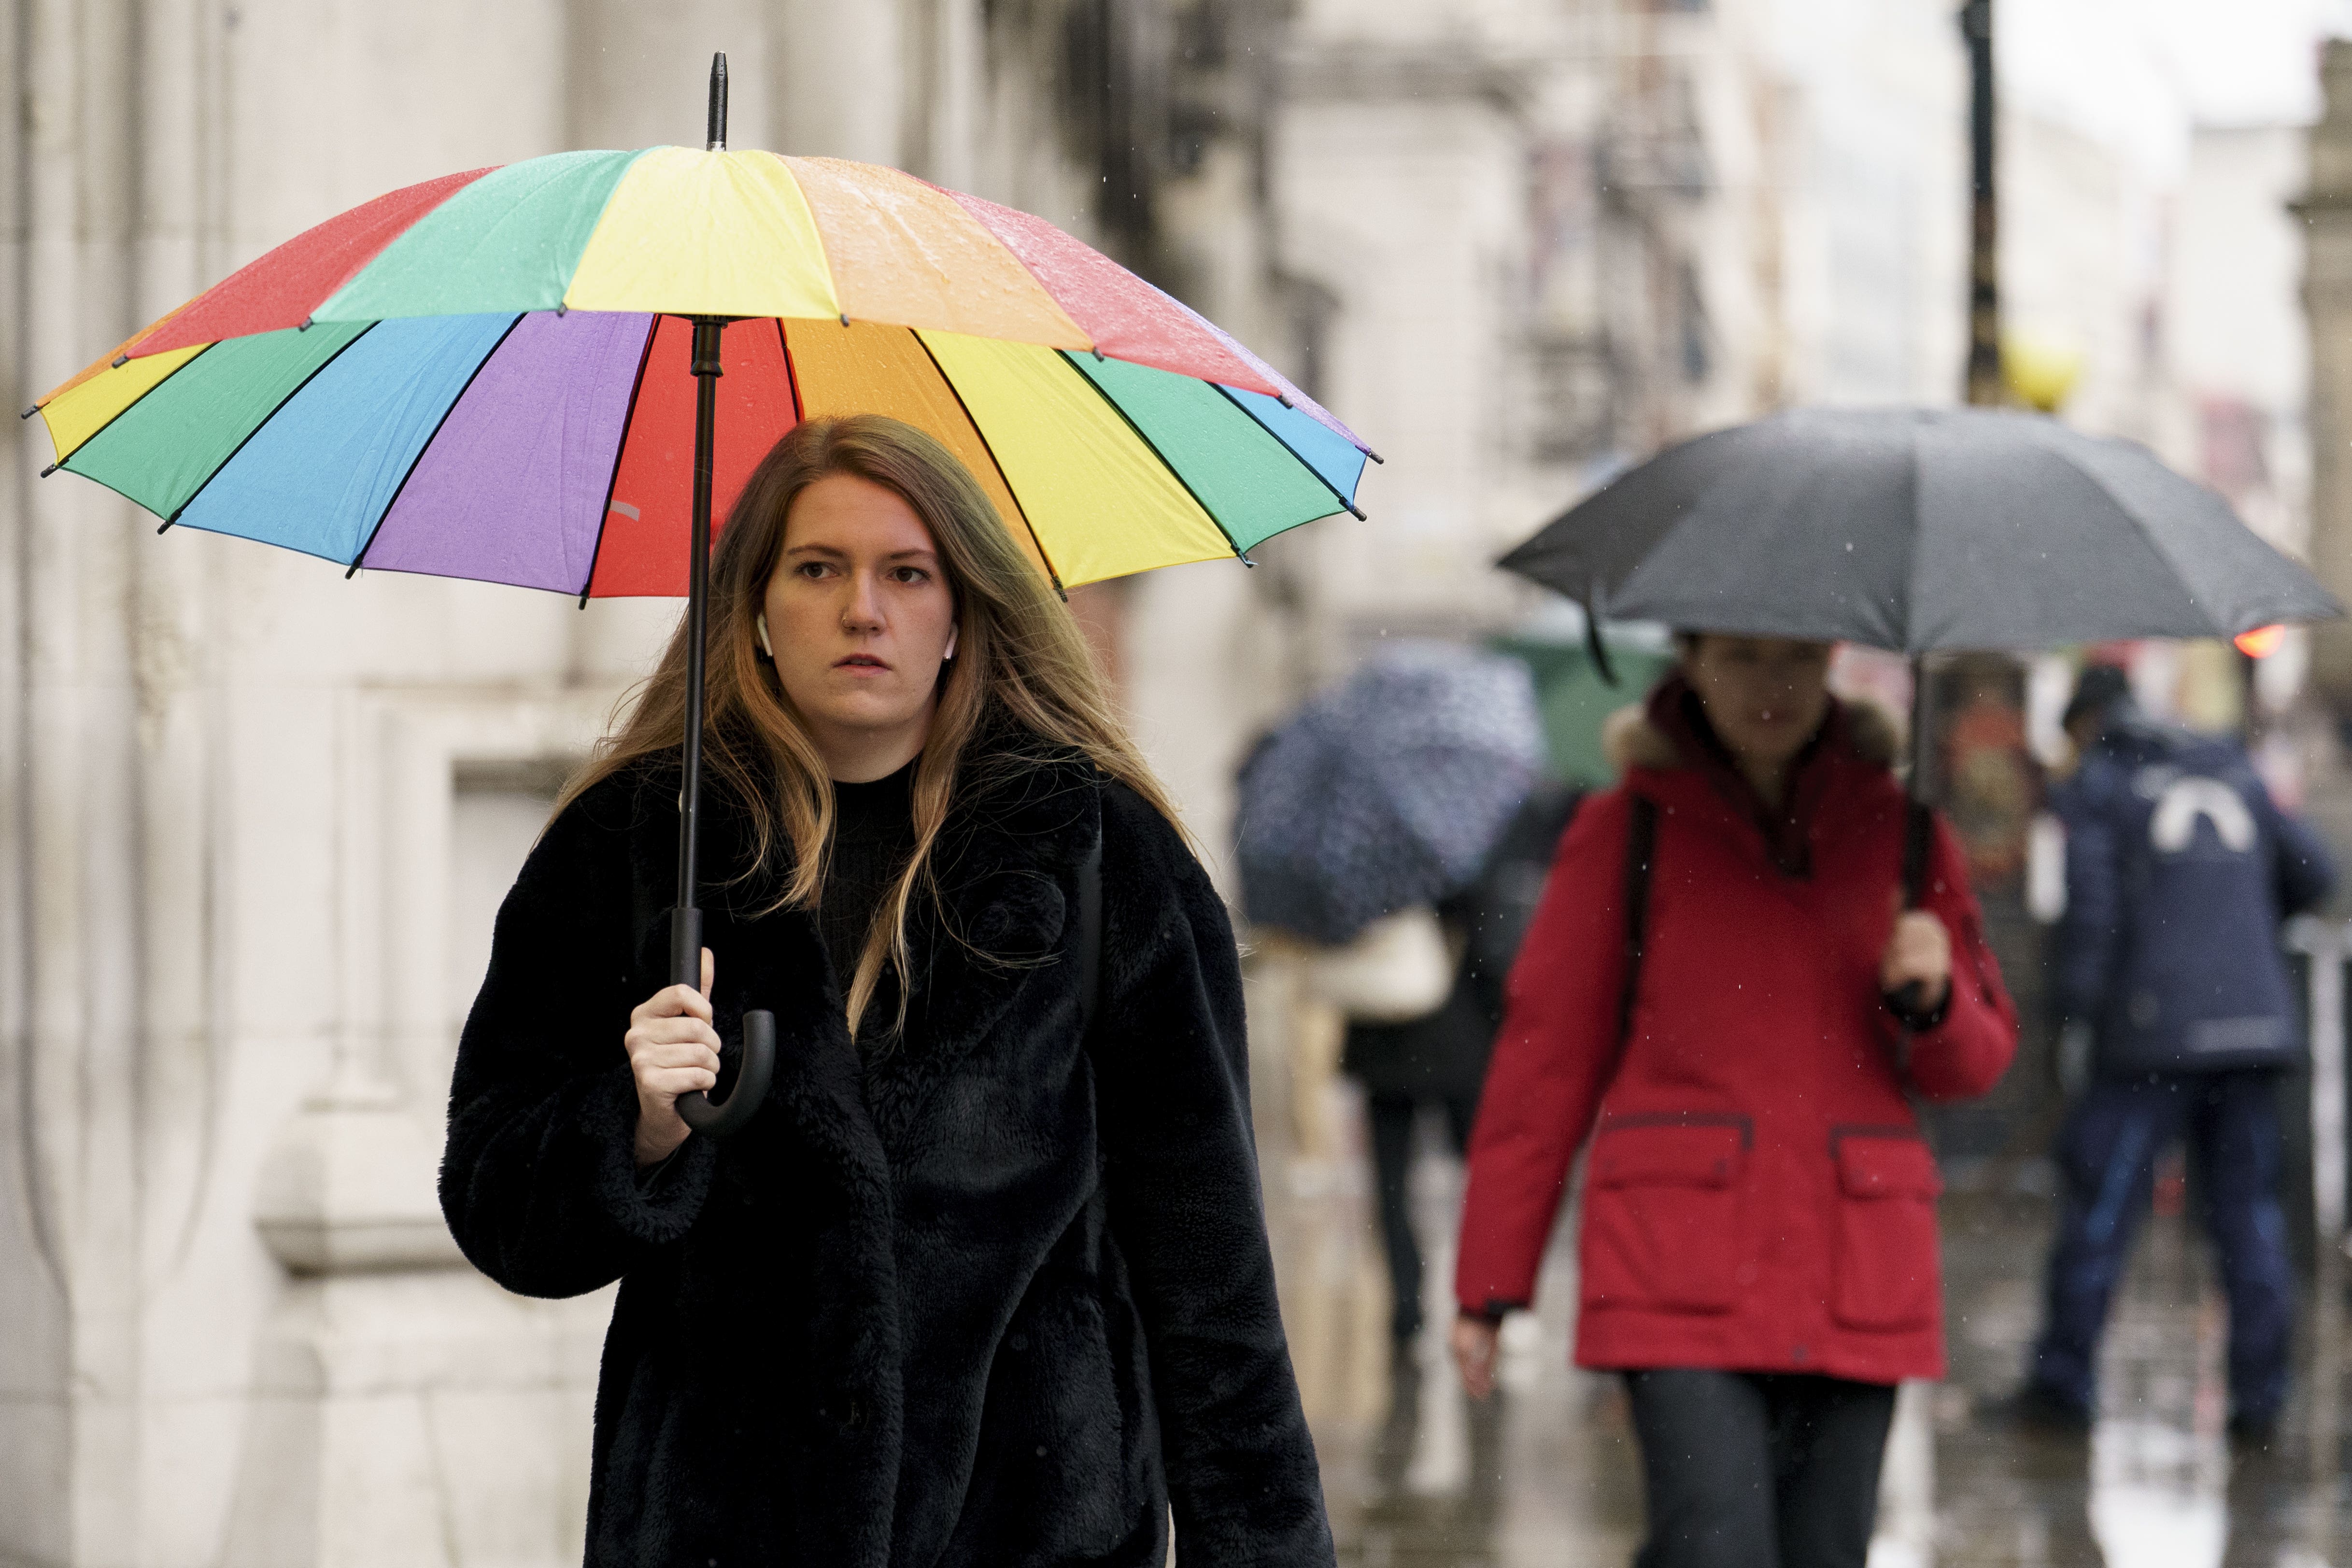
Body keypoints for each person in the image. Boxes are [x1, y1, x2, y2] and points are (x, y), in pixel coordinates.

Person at [439, 415, 1333, 1567]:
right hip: (719, 1528)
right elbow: (499, 1209)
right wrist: (636, 1120)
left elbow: (1212, 1282)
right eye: (818, 568)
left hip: (1029, 1523)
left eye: (905, 573)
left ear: (960, 606)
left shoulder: (1102, 856)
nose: (863, 608)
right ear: (755, 602)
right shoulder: (635, 845)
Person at [1449, 635, 2018, 1568]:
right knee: (1714, 1547)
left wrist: (1936, 996)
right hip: (1676, 1264)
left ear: (1833, 659)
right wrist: (1490, 1283)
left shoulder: (1906, 837)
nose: (1772, 684)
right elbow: (1545, 1062)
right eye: (1741, 657)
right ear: (1691, 661)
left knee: (1824, 1555)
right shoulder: (1628, 827)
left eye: (1796, 656)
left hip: (1858, 1269)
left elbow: (1978, 1063)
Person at [2011, 663, 2335, 1443]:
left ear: (2085, 722)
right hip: (2253, 1031)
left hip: (2148, 1033)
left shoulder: (2101, 780)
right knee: (2248, 1217)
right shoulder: (2225, 761)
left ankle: (2064, 1383)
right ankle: (2261, 1398)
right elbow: (2315, 871)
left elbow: (2090, 912)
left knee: (2103, 1205)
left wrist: (2075, 1019)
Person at [1342, 784, 1580, 1354]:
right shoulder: (1471, 828)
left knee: (1393, 1179)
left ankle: (1407, 1309)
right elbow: (1492, 941)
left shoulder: (1361, 833)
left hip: (1386, 1034)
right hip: (1457, 1036)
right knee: (1477, 1171)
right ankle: (1481, 1299)